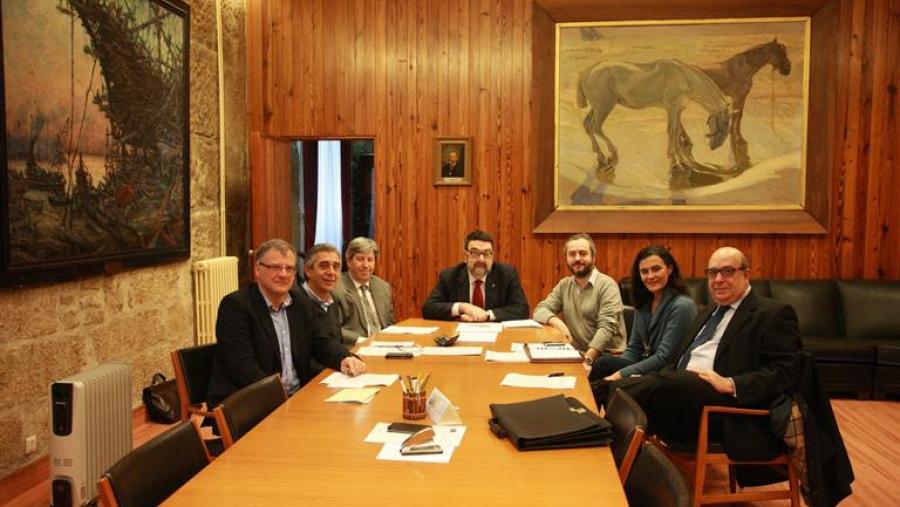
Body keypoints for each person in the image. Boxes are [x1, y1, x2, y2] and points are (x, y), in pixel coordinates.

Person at [616, 246, 800, 467]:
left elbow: (786, 373)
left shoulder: (772, 313)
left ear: (746, 274)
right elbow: (677, 359)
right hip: (681, 397)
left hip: (724, 411)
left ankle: (595, 398)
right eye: (713, 273)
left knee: (660, 383)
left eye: (728, 271)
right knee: (632, 394)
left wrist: (731, 383)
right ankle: (611, 466)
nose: (718, 279)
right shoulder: (708, 311)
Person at [206, 239, 366, 408]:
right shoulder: (236, 306)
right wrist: (280, 397)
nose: (283, 274)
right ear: (258, 269)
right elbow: (242, 367)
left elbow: (321, 342)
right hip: (252, 400)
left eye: (289, 268)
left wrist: (344, 358)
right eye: (275, 267)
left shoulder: (301, 303)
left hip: (298, 395)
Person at [589, 245, 697, 383]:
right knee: (603, 363)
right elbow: (634, 349)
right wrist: (621, 371)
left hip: (667, 374)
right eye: (644, 271)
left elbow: (664, 358)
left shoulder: (682, 306)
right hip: (646, 367)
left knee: (607, 381)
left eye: (656, 269)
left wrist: (619, 375)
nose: (650, 276)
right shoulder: (644, 302)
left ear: (669, 269)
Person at [533, 233, 627, 363]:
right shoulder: (565, 285)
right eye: (572, 254)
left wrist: (587, 360)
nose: (577, 258)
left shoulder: (607, 285)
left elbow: (606, 329)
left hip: (607, 357)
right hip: (578, 354)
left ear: (593, 257)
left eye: (583, 253)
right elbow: (539, 310)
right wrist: (557, 322)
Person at [422, 230, 529, 322]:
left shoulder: (507, 274)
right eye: (475, 253)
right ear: (465, 256)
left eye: (487, 253)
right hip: (460, 335)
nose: (481, 259)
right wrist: (463, 307)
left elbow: (522, 309)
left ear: (492, 256)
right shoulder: (450, 276)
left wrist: (487, 315)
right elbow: (428, 308)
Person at [334, 237, 396, 343]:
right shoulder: (336, 288)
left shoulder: (382, 287)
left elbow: (389, 323)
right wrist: (362, 340)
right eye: (360, 259)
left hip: (383, 346)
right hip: (354, 347)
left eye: (370, 260)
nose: (366, 265)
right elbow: (334, 328)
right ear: (348, 261)